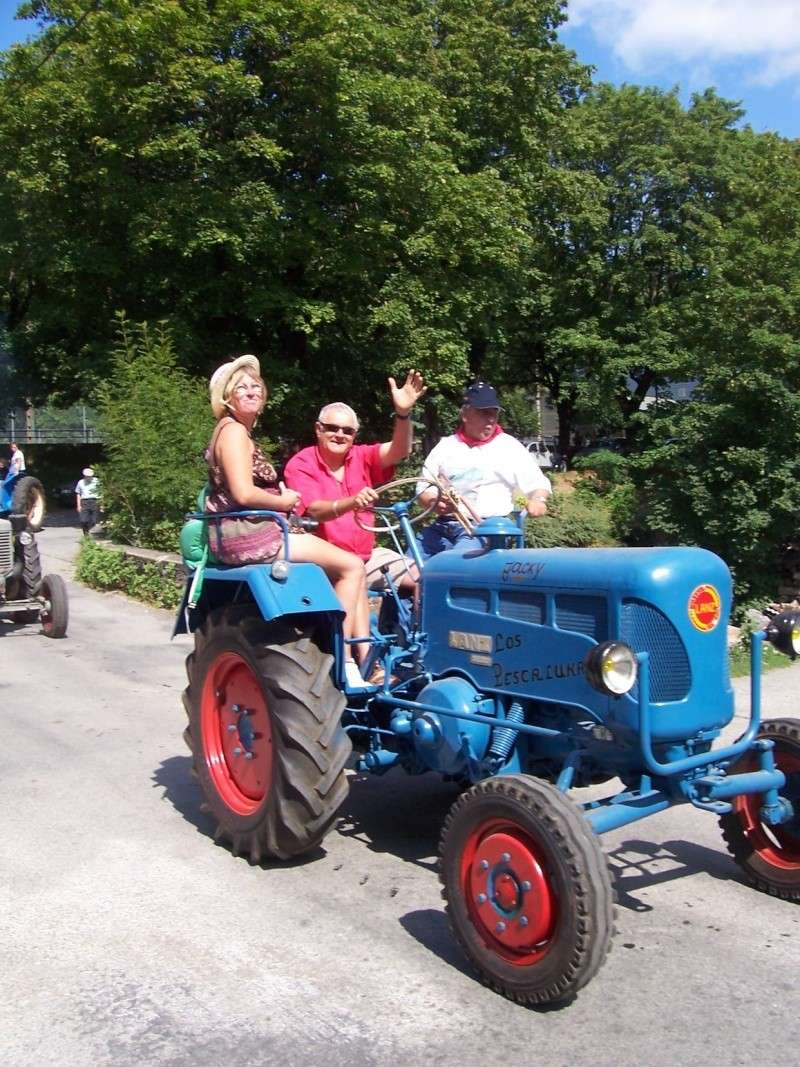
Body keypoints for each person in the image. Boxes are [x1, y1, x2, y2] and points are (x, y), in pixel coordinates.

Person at [206, 354, 372, 690]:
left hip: (253, 526)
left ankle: (364, 657)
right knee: (352, 565)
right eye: (242, 387)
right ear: (227, 396)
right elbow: (243, 492)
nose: (251, 391)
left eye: (256, 386)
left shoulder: (233, 431)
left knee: (350, 568)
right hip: (251, 532)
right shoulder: (234, 432)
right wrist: (283, 500)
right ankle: (345, 660)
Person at [283, 371, 427, 593]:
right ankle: (346, 628)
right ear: (318, 429)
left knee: (426, 579)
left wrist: (403, 413)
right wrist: (352, 502)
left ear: (354, 435)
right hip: (323, 564)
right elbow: (314, 511)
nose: (340, 435)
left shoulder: (361, 456)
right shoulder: (301, 463)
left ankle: (411, 626)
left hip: (367, 558)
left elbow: (399, 450)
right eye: (332, 428)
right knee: (353, 572)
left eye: (348, 431)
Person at [416, 381, 552, 558]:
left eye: (494, 414)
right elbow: (423, 490)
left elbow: (537, 485)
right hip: (442, 527)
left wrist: (538, 500)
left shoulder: (509, 447)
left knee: (456, 566)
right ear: (465, 414)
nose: (490, 420)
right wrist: (434, 501)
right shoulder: (445, 447)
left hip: (486, 531)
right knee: (404, 571)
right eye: (483, 413)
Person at [75, 467, 100, 536]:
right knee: (83, 520)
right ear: (84, 476)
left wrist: (102, 504)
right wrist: (78, 505)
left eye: (89, 476)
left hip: (95, 501)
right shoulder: (80, 482)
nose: (88, 477)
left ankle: (89, 530)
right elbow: (78, 494)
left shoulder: (97, 481)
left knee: (94, 521)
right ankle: (86, 534)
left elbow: (101, 493)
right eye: (86, 476)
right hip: (84, 502)